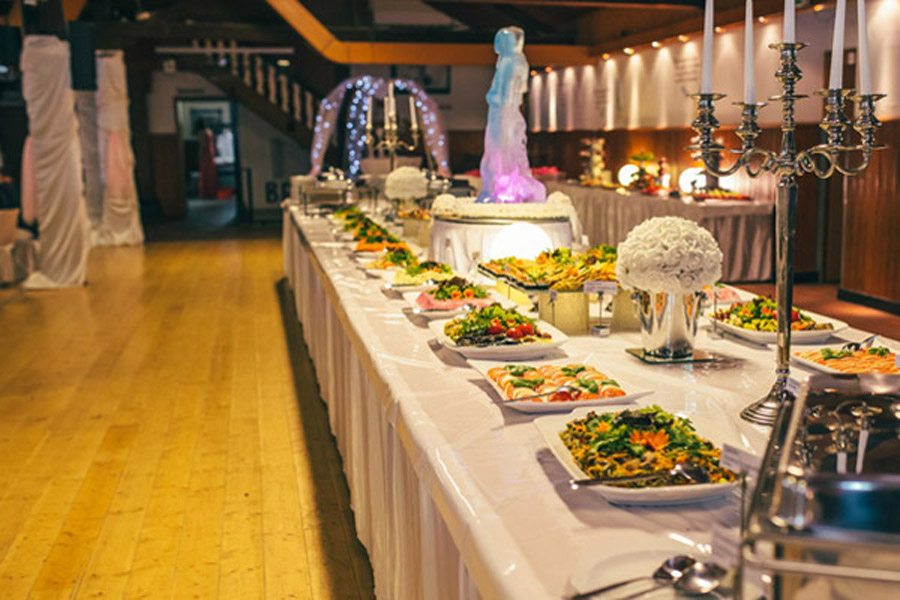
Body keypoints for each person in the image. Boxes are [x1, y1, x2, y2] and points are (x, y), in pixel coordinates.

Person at [477, 27, 545, 204]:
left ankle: (506, 190)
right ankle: (495, 189)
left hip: (504, 112)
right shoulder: (508, 61)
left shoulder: (513, 62)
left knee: (503, 149)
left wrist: (493, 99)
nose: (500, 45)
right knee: (495, 150)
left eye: (504, 41)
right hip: (501, 111)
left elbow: (504, 94)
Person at [196, 118, 218, 199]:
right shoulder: (209, 131)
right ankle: (212, 192)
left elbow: (203, 145)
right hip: (211, 153)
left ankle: (205, 193)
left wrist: (199, 155)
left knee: (204, 174)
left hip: (205, 154)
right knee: (211, 174)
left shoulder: (202, 133)